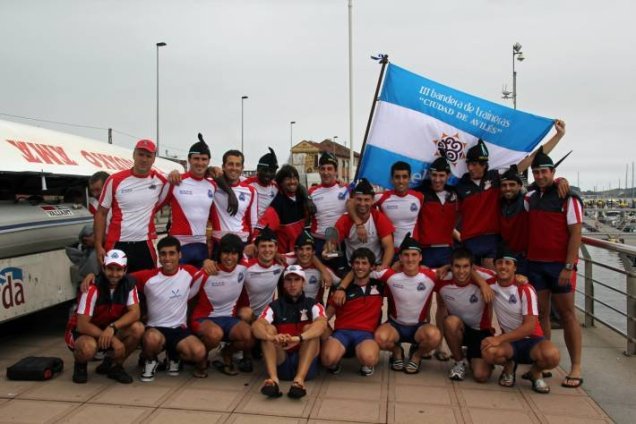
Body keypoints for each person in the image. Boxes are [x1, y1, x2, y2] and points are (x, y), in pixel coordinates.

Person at [525, 146, 583, 388]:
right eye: (536, 172)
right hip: (535, 264)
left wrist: (569, 266)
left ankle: (576, 367)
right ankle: (543, 363)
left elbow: (576, 233)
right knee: (542, 315)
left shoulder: (568, 197)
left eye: (544, 172)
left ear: (553, 172)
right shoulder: (530, 197)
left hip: (560, 266)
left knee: (568, 315)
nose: (540, 176)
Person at [481, 247, 560, 394]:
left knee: (552, 356)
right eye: (499, 263)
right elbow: (472, 270)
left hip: (532, 340)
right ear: (494, 265)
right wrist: (481, 283)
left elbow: (529, 327)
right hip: (510, 342)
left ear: (515, 267)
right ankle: (509, 366)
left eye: (508, 263)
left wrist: (499, 339)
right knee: (488, 351)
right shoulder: (491, 283)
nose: (503, 266)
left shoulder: (525, 289)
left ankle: (535, 373)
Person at [131, 236, 210, 381]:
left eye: (172, 253)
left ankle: (173, 356)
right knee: (151, 339)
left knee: (199, 352)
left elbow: (211, 271)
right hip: (155, 329)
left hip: (179, 330)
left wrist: (208, 262)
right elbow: (120, 277)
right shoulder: (147, 276)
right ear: (159, 256)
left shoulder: (189, 271)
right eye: (163, 254)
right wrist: (93, 277)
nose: (167, 258)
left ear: (179, 255)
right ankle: (150, 360)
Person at [65, 249, 143, 384]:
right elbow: (82, 325)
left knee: (138, 328)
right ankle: (80, 364)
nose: (114, 274)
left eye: (119, 269)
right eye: (110, 269)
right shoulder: (92, 287)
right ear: (103, 268)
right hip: (85, 332)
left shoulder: (129, 284)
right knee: (87, 348)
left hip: (108, 328)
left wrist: (112, 328)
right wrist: (112, 339)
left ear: (125, 270)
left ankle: (115, 365)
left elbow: (135, 313)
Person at [252, 265, 328, 399]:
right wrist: (272, 337)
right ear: (284, 284)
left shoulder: (313, 304)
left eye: (297, 280)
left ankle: (299, 381)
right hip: (282, 361)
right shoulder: (274, 306)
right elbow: (256, 326)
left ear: (303, 283)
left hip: (305, 362)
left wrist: (298, 338)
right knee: (268, 329)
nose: (293, 284)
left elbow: (322, 325)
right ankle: (273, 379)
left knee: (311, 329)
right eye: (289, 280)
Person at [94, 139, 169, 272]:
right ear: (134, 154)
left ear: (154, 159)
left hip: (144, 244)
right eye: (141, 154)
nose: (144, 159)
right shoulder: (114, 180)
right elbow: (101, 213)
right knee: (115, 282)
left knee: (147, 282)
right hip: (117, 243)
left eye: (148, 156)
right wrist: (98, 245)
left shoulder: (160, 181)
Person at [372, 234, 442, 374]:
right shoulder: (390, 275)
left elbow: (457, 271)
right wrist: (342, 287)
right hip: (395, 326)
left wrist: (482, 284)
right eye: (406, 255)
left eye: (414, 255)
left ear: (420, 257)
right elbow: (361, 271)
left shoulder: (431, 275)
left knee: (434, 336)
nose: (410, 259)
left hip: (419, 327)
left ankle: (416, 356)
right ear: (400, 257)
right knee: (379, 338)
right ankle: (397, 352)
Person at [190, 233, 255, 375]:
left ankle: (227, 353)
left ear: (239, 255)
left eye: (234, 253)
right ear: (219, 253)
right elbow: (186, 298)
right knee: (215, 334)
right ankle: (201, 357)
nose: (229, 257)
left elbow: (262, 257)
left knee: (249, 336)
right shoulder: (205, 273)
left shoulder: (243, 269)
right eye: (226, 252)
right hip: (204, 318)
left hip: (229, 319)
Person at [321, 248, 384, 376]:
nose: (360, 267)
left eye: (364, 263)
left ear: (372, 266)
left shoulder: (380, 285)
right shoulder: (341, 290)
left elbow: (398, 269)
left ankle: (366, 363)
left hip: (365, 334)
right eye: (357, 263)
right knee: (328, 359)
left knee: (369, 358)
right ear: (352, 265)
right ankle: (335, 360)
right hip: (342, 333)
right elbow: (327, 316)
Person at [436, 248, 496, 382]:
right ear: (451, 267)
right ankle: (459, 362)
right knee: (450, 321)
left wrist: (521, 279)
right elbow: (419, 272)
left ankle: (471, 354)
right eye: (457, 266)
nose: (461, 271)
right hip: (459, 328)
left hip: (480, 331)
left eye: (465, 266)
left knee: (481, 376)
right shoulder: (442, 278)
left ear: (472, 267)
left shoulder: (486, 277)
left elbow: (506, 278)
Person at [162, 135, 218, 267]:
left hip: (201, 245)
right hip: (178, 244)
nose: (200, 163)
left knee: (200, 280)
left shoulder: (212, 185)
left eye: (204, 159)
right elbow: (155, 206)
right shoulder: (176, 181)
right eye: (196, 159)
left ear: (209, 161)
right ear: (189, 159)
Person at [332, 178, 394, 270]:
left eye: (366, 200)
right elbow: (331, 243)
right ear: (353, 199)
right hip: (353, 268)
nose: (362, 203)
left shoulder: (378, 218)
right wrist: (328, 251)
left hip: (374, 267)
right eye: (359, 199)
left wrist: (383, 267)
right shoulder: (345, 220)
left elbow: (389, 247)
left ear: (372, 200)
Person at [253, 164, 311, 253]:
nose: (292, 181)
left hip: (302, 253)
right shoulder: (278, 204)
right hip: (286, 255)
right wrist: (274, 253)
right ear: (280, 183)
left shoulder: (304, 199)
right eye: (288, 179)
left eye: (295, 178)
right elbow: (261, 229)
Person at [210, 150, 258, 250]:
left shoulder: (251, 191)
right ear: (223, 167)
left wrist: (253, 242)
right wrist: (212, 168)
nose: (234, 168)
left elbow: (253, 221)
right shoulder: (212, 186)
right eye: (230, 164)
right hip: (220, 241)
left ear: (242, 168)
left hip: (242, 242)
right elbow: (203, 172)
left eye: (238, 165)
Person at [308, 152, 350, 255]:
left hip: (341, 241)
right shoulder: (311, 192)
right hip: (318, 241)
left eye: (329, 169)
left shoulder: (346, 189)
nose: (326, 172)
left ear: (336, 171)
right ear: (319, 171)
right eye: (323, 169)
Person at [286, 231, 341, 302]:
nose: (304, 253)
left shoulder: (323, 270)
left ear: (313, 252)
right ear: (296, 251)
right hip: (288, 307)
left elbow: (341, 285)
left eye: (308, 249)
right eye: (301, 249)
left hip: (313, 307)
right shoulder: (288, 265)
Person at [244, 147, 279, 221]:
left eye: (271, 171)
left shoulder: (277, 188)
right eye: (265, 170)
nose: (268, 174)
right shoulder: (247, 185)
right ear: (258, 169)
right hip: (249, 226)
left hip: (268, 226)